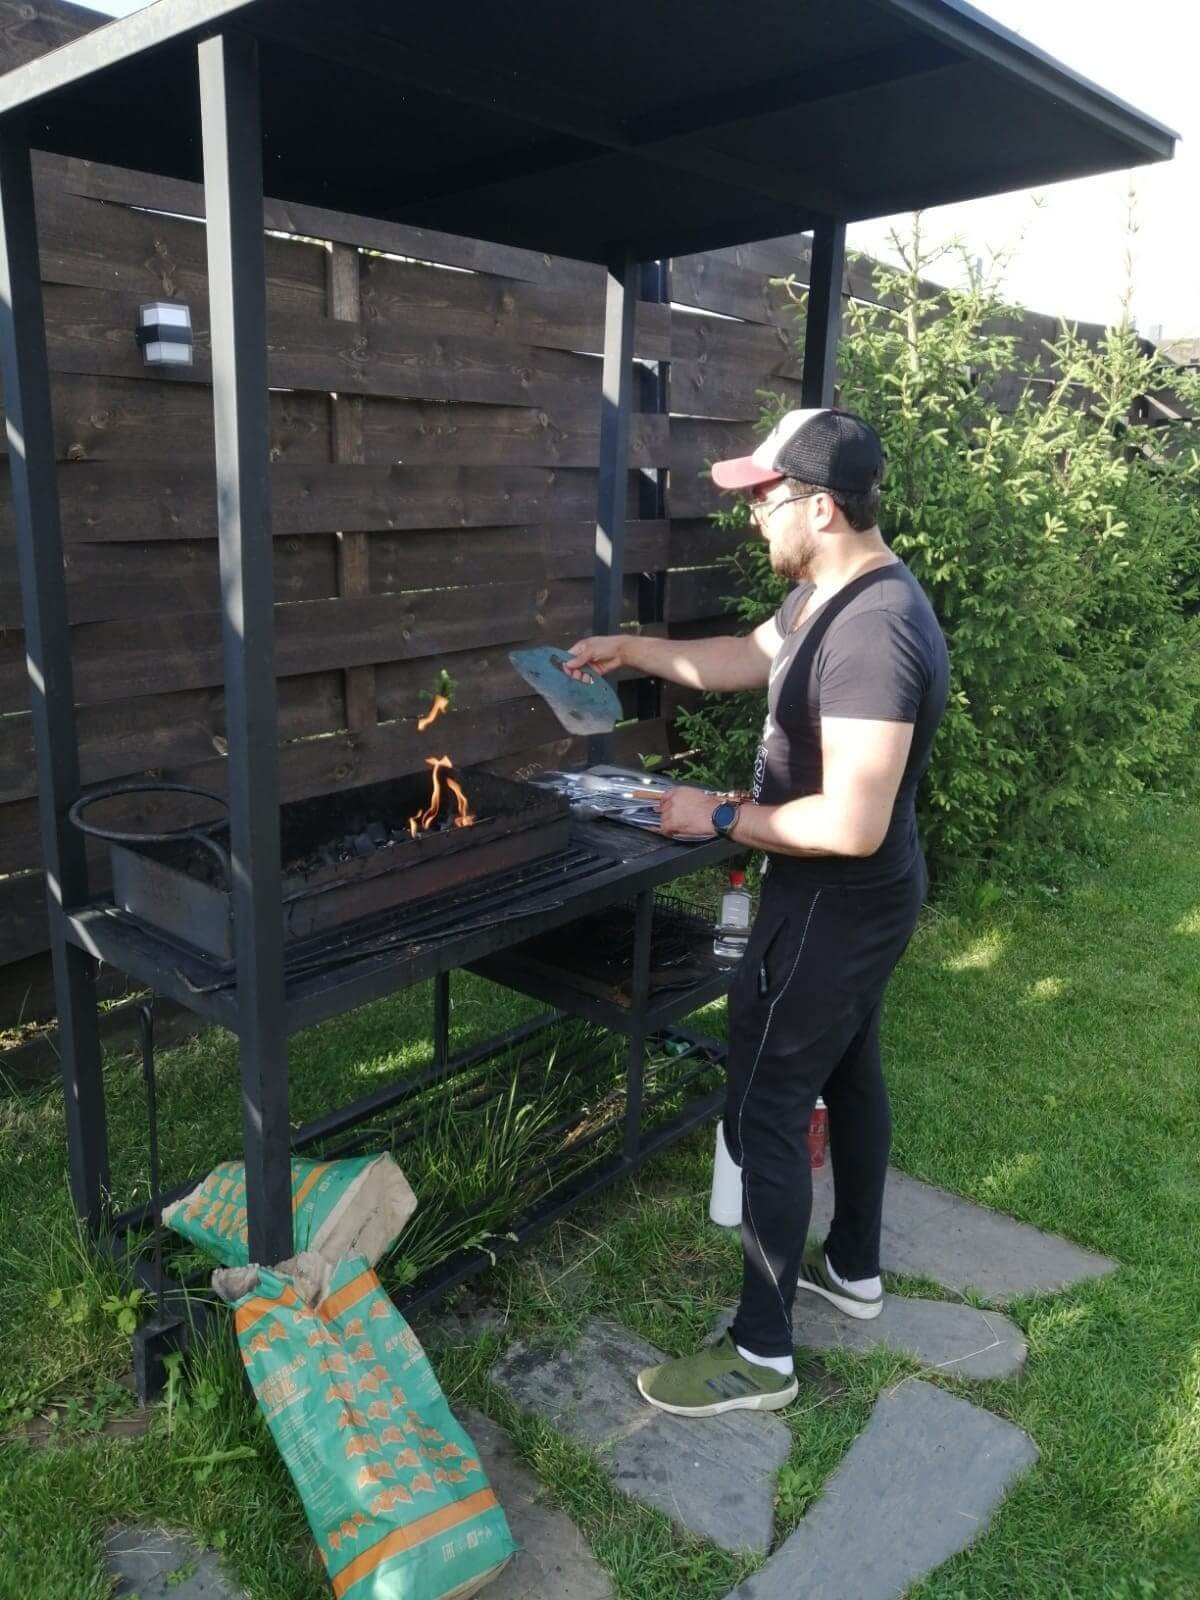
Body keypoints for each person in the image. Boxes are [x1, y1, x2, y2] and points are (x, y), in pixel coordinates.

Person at [566, 408, 950, 1417]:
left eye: (766, 498)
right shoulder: (829, 592)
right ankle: (853, 1269)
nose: (753, 516)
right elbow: (745, 657)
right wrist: (631, 650)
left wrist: (722, 815)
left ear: (821, 508)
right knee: (850, 1071)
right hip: (856, 901)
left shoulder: (871, 631)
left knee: (768, 1104)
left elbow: (853, 822)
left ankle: (762, 1354)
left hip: (834, 902)